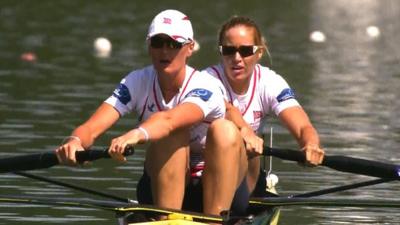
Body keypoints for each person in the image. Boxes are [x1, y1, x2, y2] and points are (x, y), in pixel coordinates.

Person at [55, 9, 254, 217]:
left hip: (223, 194)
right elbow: (91, 127)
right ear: (149, 46)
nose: (164, 51)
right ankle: (166, 218)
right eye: (158, 43)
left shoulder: (207, 86)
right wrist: (75, 141)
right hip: (164, 190)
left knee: (223, 129)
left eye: (174, 44)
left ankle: (215, 221)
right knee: (170, 135)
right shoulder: (136, 81)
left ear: (190, 47)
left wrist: (136, 134)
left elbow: (169, 120)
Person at [203, 15, 325, 195]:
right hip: (200, 173)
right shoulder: (206, 79)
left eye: (245, 51)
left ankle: (239, 209)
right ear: (221, 52)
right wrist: (246, 132)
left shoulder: (270, 82)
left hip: (243, 176)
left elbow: (302, 126)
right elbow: (227, 110)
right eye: (229, 50)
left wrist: (310, 145)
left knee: (251, 151)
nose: (236, 58)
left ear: (259, 52)